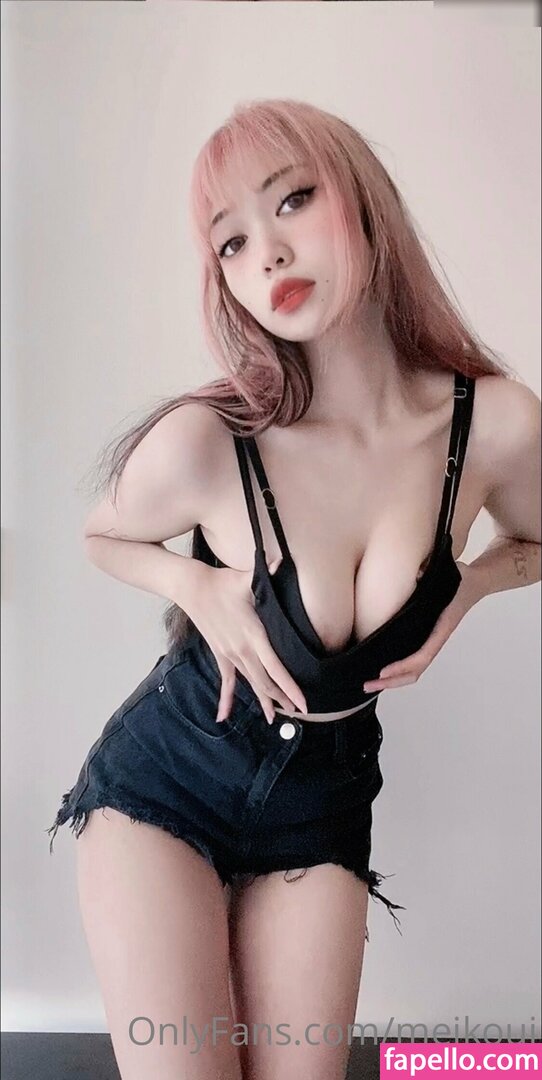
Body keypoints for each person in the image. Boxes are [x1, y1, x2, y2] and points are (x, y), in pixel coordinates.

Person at [47, 98, 541, 1080]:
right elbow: (101, 534)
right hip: (167, 781)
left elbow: (536, 540)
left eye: (292, 200)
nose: (266, 252)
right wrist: (194, 583)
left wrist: (472, 586)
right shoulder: (213, 438)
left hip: (322, 802)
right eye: (230, 241)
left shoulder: (491, 426)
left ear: (362, 199)